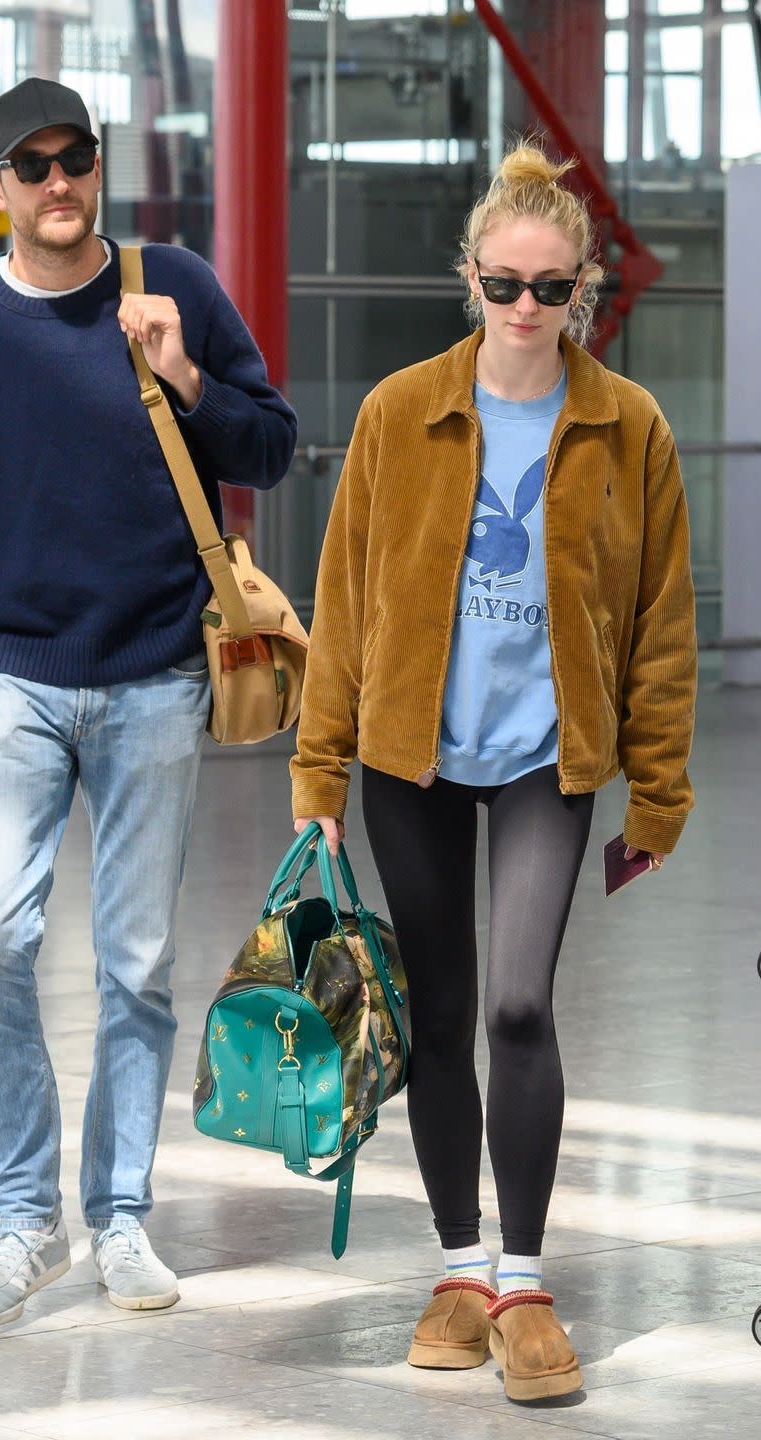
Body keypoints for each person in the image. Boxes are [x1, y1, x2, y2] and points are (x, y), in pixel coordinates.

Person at [0, 77, 297, 1333]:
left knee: (136, 964)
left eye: (78, 159)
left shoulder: (172, 285)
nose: (60, 182)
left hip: (157, 677)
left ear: (97, 168)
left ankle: (119, 1218)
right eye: (33, 163)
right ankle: (22, 1221)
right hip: (5, 678)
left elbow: (270, 449)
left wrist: (184, 374)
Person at [290, 144, 696, 1402]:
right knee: (444, 1018)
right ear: (467, 279)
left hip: (547, 758)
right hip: (411, 756)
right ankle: (459, 1269)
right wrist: (319, 779)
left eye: (553, 289)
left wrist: (661, 790)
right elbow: (344, 602)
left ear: (582, 294)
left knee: (520, 1004)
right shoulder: (399, 410)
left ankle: (523, 1282)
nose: (527, 309)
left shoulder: (629, 427)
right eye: (505, 284)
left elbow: (660, 622)